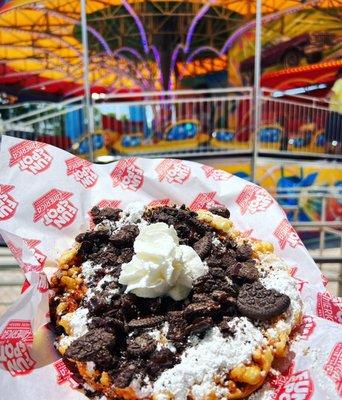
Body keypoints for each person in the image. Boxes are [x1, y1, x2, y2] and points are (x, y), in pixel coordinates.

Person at [325, 69, 342, 154]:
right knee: (339, 137)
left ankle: (328, 156)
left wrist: (325, 98)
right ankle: (337, 157)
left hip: (336, 112)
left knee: (330, 135)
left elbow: (332, 92)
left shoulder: (340, 81)